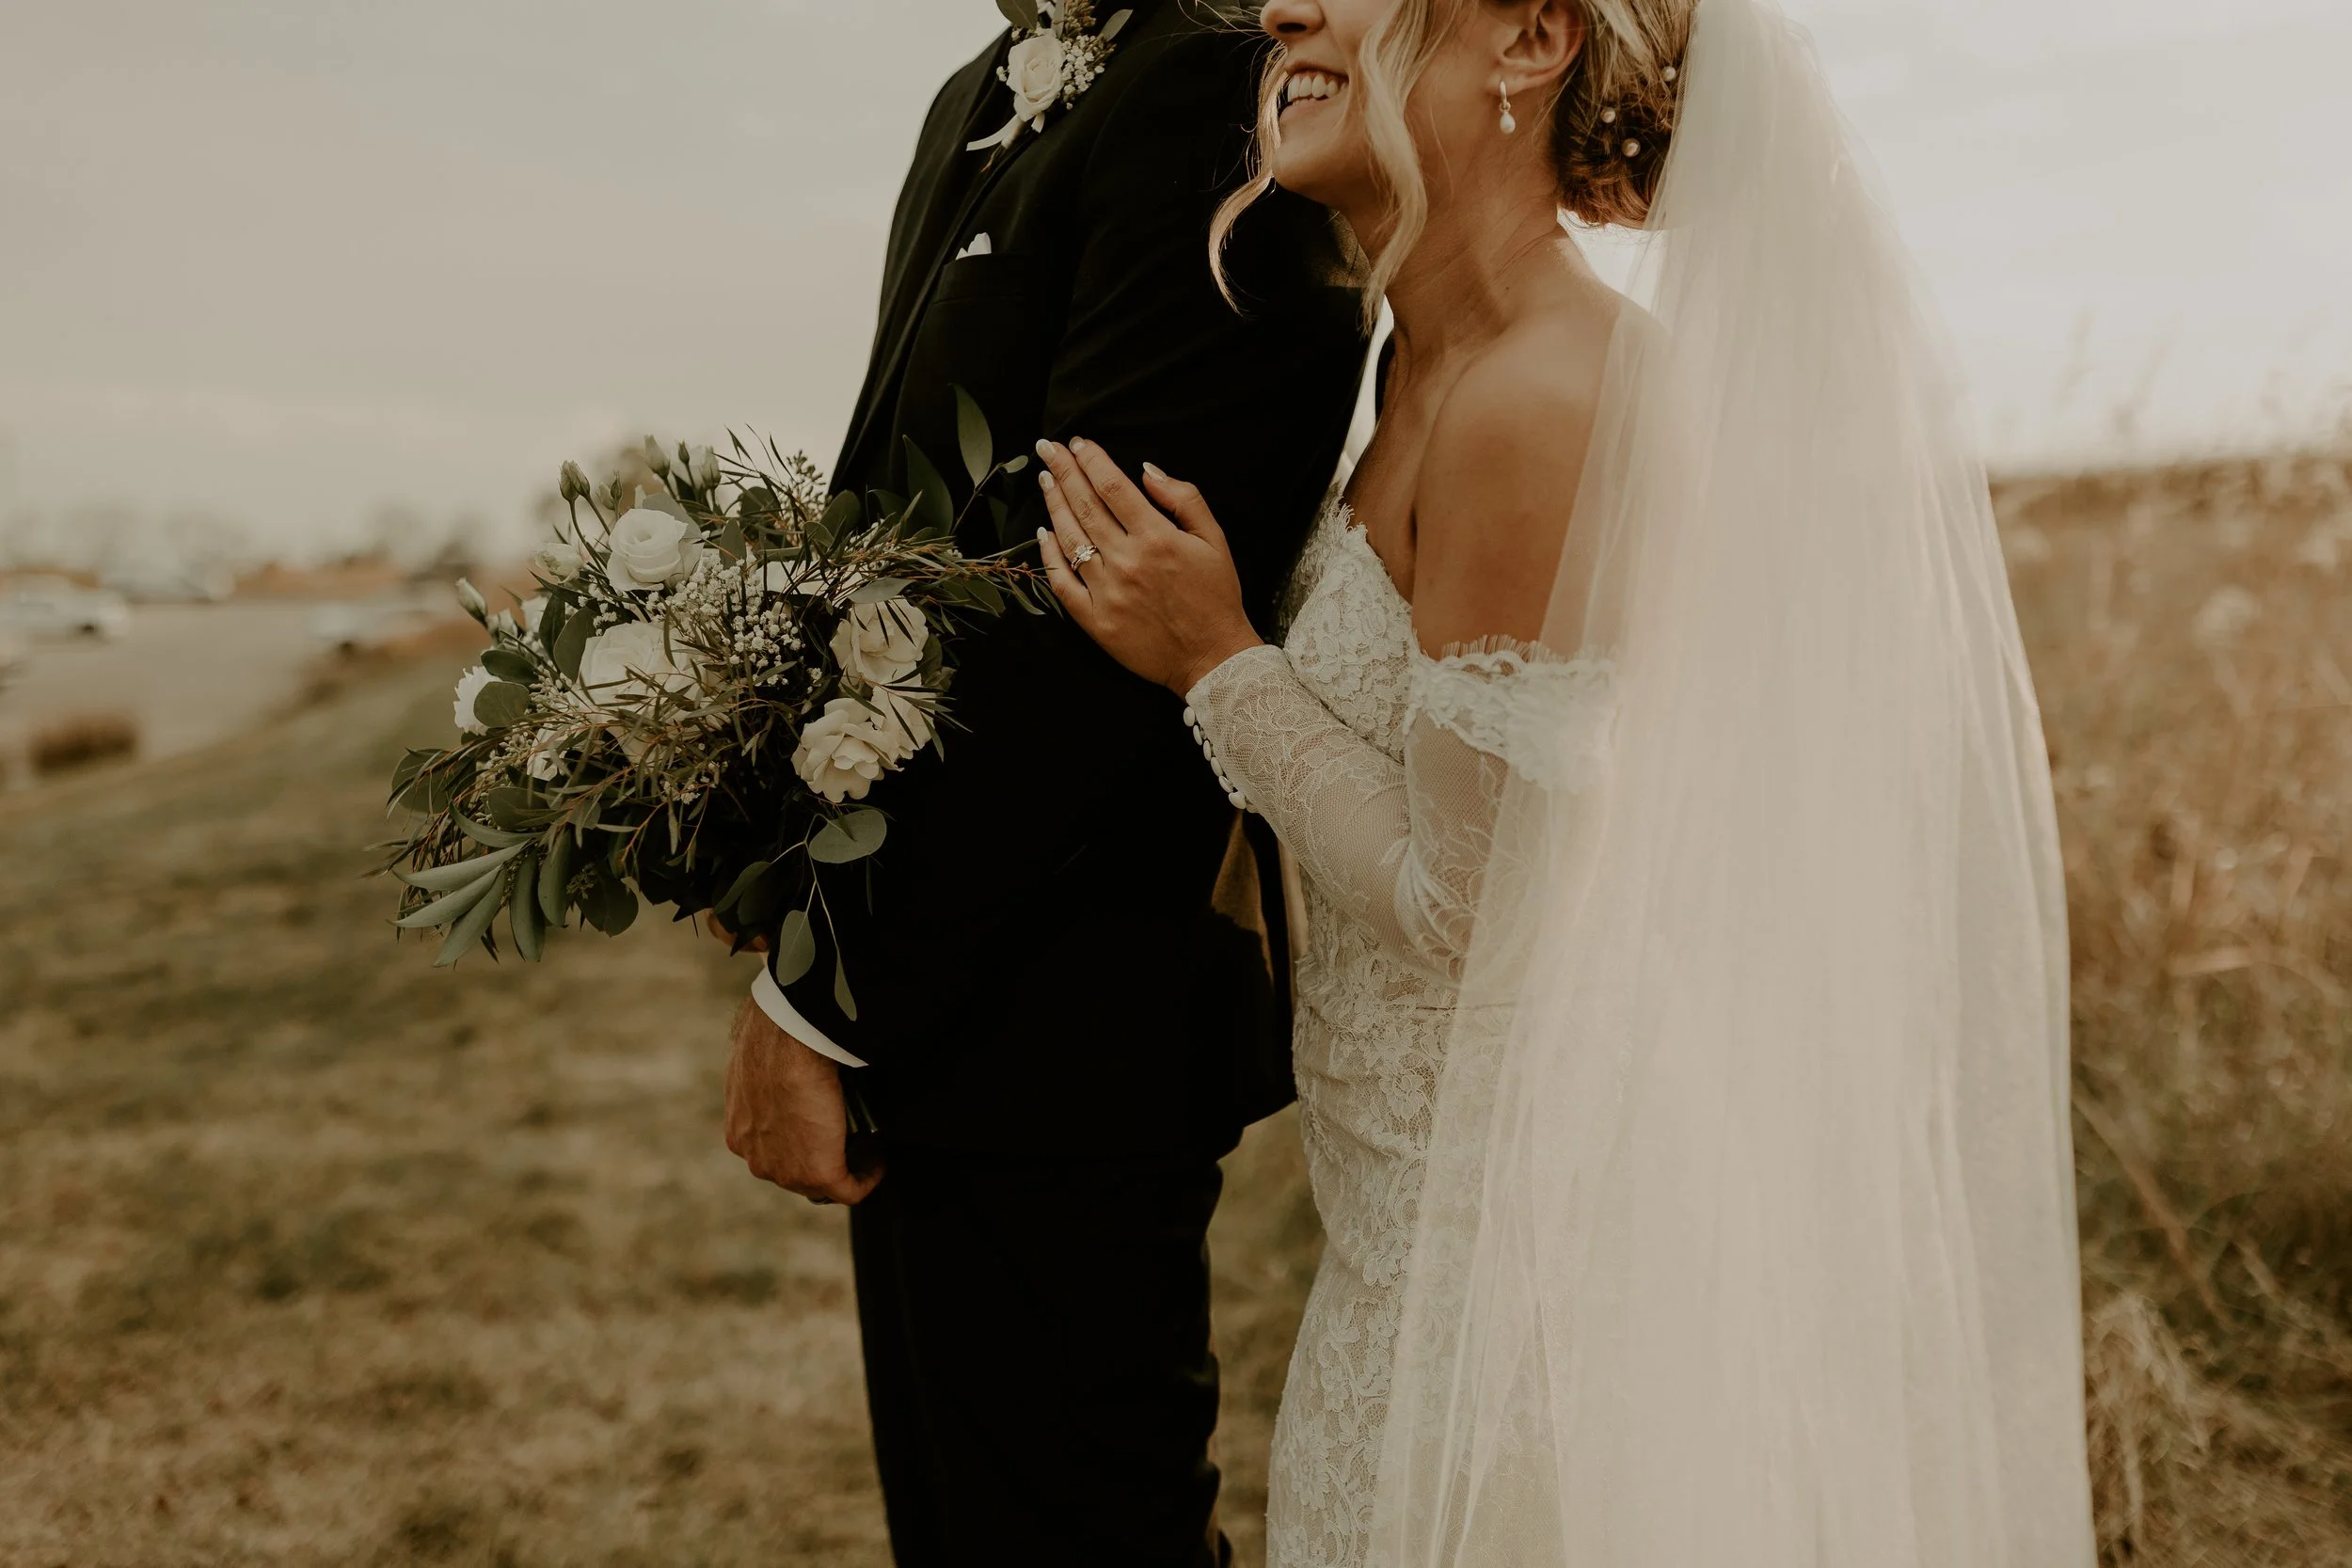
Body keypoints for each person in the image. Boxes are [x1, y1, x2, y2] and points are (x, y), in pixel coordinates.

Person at [1034, 0, 2100, 1563]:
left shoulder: (1546, 398)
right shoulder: (1415, 359)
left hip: (1532, 1303)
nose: (1280, 7)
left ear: (1529, 40)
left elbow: (1472, 909)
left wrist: (1217, 665)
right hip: (1408, 1253)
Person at [714, 2, 1368, 1564]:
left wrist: (823, 994)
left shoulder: (1231, 86)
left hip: (1076, 997)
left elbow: (1089, 623)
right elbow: (900, 532)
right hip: (940, 1004)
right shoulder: (972, 95)